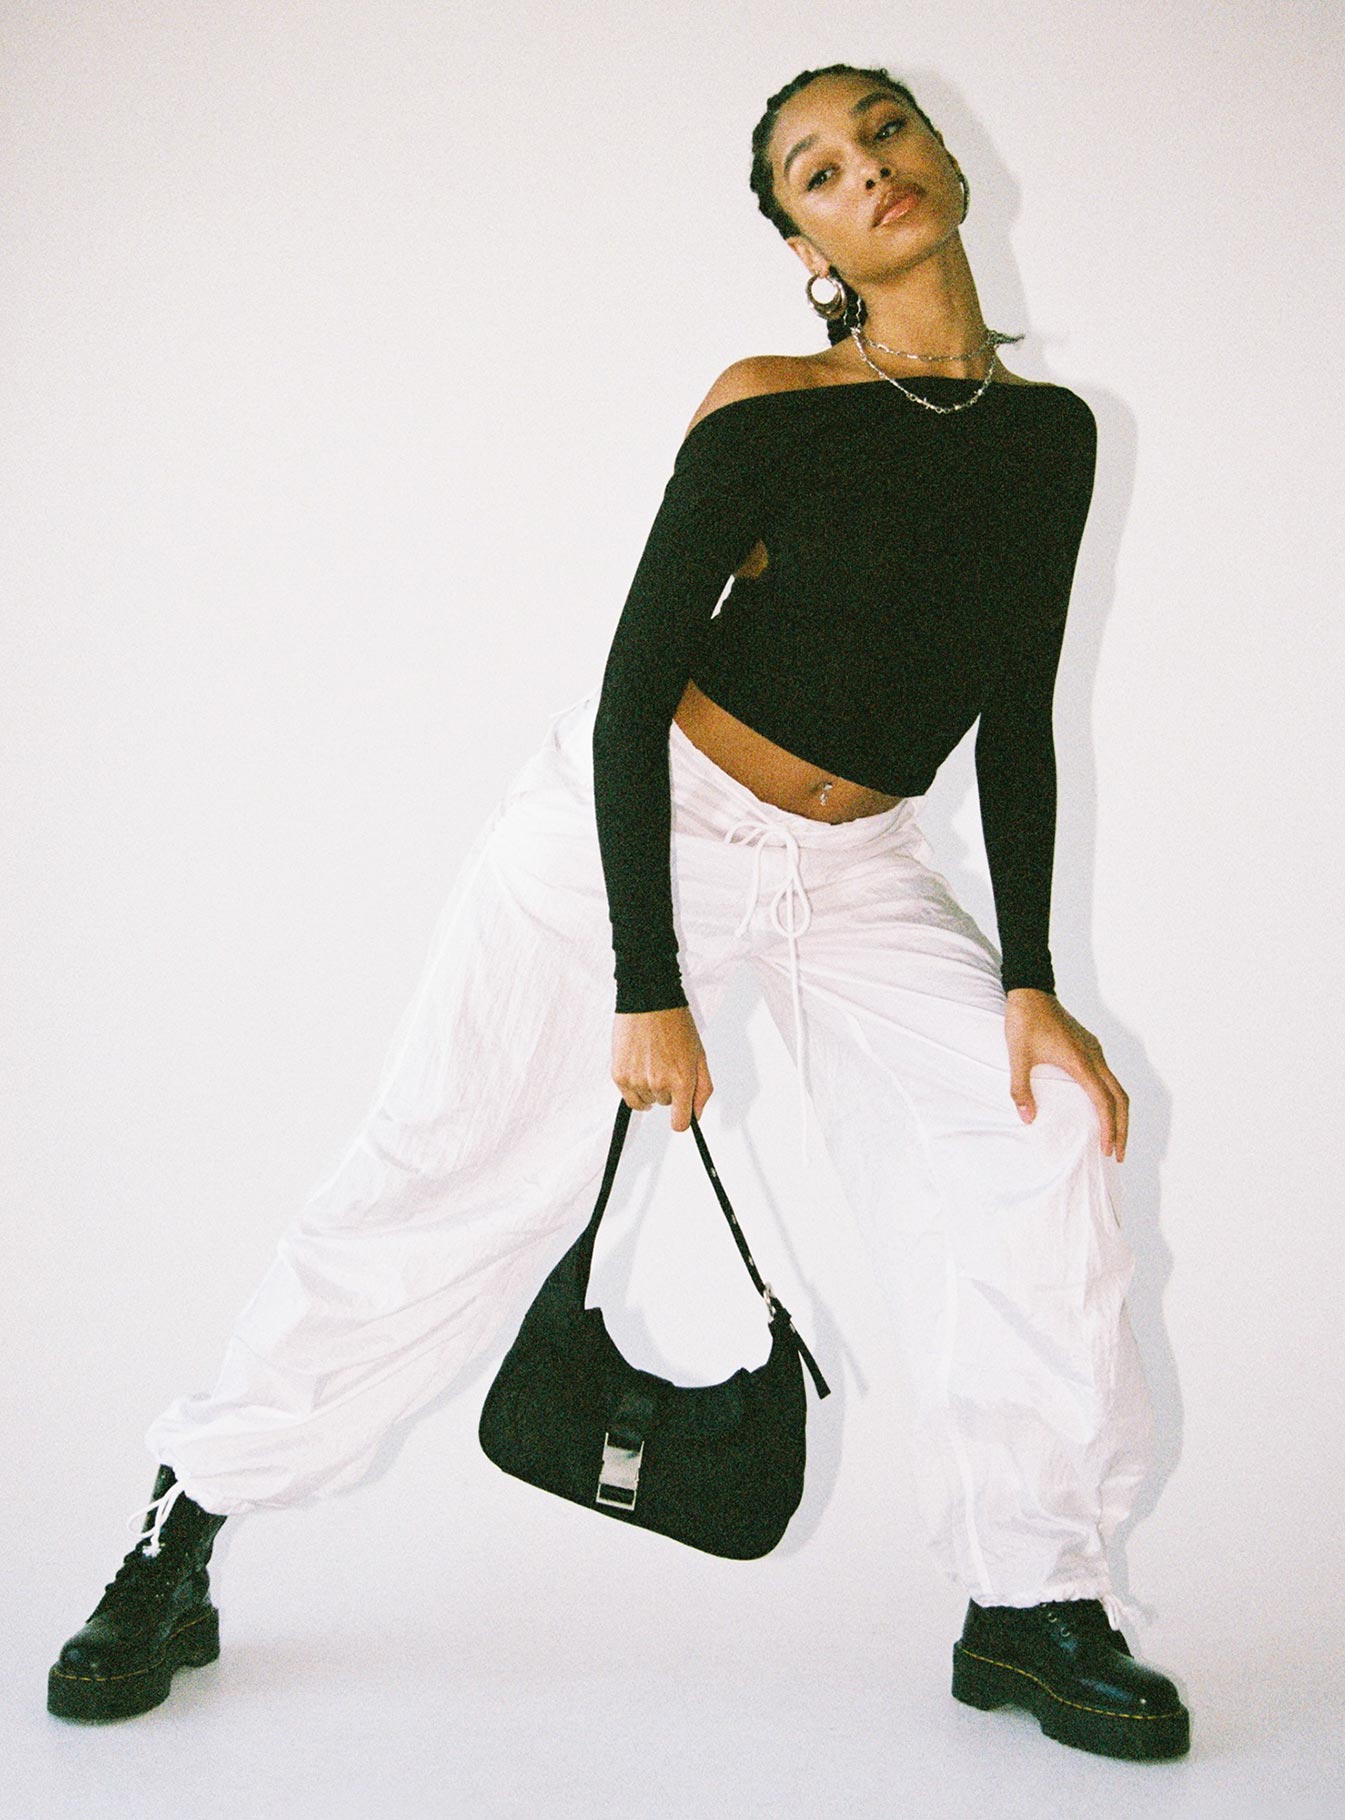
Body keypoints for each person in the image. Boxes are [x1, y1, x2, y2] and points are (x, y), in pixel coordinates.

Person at [47, 61, 1189, 1761]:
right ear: (801, 244)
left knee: (1039, 1138)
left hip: (862, 870)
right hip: (644, 831)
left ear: (945, 159)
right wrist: (645, 983)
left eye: (881, 132)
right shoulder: (768, 402)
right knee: (446, 1174)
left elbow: (1014, 710)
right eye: (815, 170)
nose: (863, 170)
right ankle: (185, 1520)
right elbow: (625, 693)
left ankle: (1028, 1599)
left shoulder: (1050, 434)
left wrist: (1027, 976)